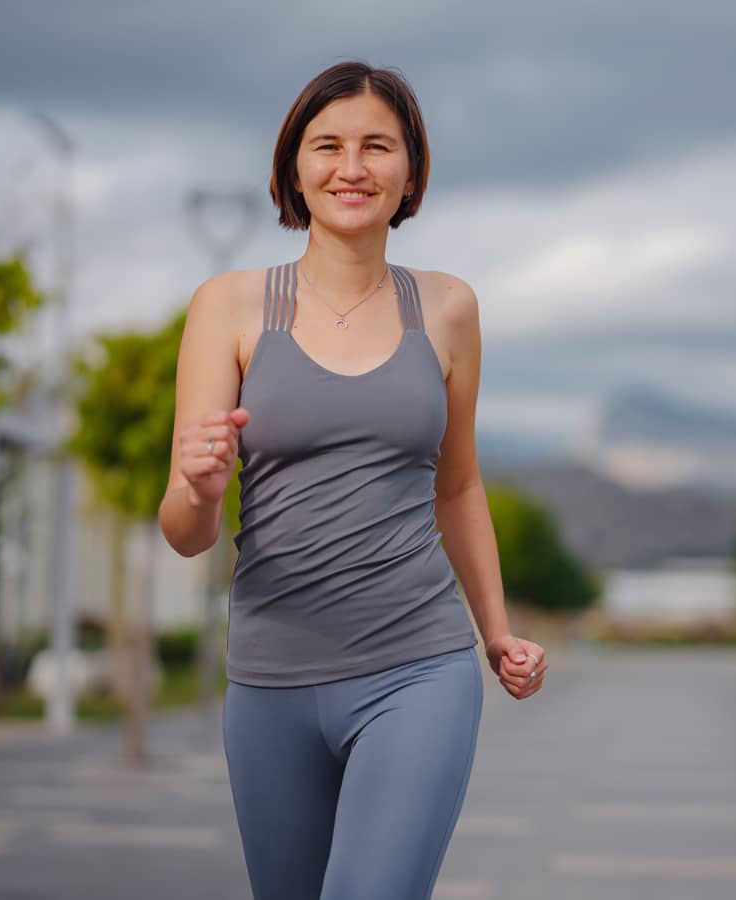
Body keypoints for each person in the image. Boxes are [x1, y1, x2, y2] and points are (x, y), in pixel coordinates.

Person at [158, 60, 546, 900]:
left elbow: (459, 487)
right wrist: (196, 485)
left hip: (419, 667)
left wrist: (496, 631)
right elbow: (187, 532)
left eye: (378, 147)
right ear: (294, 167)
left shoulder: (446, 308)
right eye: (327, 145)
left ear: (410, 171)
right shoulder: (227, 306)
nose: (352, 167)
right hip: (268, 682)